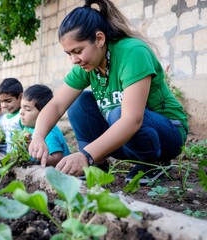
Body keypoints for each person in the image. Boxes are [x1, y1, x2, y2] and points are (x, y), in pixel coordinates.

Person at [28, 0, 188, 185]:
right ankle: (98, 162)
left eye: (77, 51)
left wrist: (86, 155)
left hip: (167, 135)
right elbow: (56, 105)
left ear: (100, 39)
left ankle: (154, 163)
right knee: (79, 104)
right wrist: (38, 136)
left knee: (119, 114)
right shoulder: (88, 65)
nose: (74, 59)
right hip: (128, 138)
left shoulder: (132, 52)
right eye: (68, 53)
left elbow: (132, 119)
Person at [20, 84, 70, 166]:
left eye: (27, 109)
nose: (21, 112)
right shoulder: (29, 127)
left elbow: (57, 159)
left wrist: (32, 150)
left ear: (44, 113)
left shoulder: (49, 134)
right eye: (21, 107)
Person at [0, 78, 23, 153]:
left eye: (8, 101)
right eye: (1, 102)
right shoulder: (4, 118)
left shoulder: (23, 116)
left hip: (23, 157)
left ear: (20, 97)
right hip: (10, 156)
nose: (4, 105)